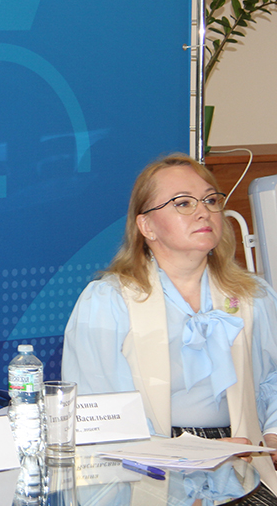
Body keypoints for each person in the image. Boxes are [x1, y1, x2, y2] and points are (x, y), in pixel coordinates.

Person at [63, 154, 277, 490]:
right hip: (146, 473)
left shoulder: (254, 295)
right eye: (183, 203)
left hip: (242, 462)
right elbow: (100, 416)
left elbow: (273, 378)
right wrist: (188, 455)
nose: (203, 212)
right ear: (146, 226)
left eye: (210, 200)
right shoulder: (108, 301)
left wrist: (273, 430)